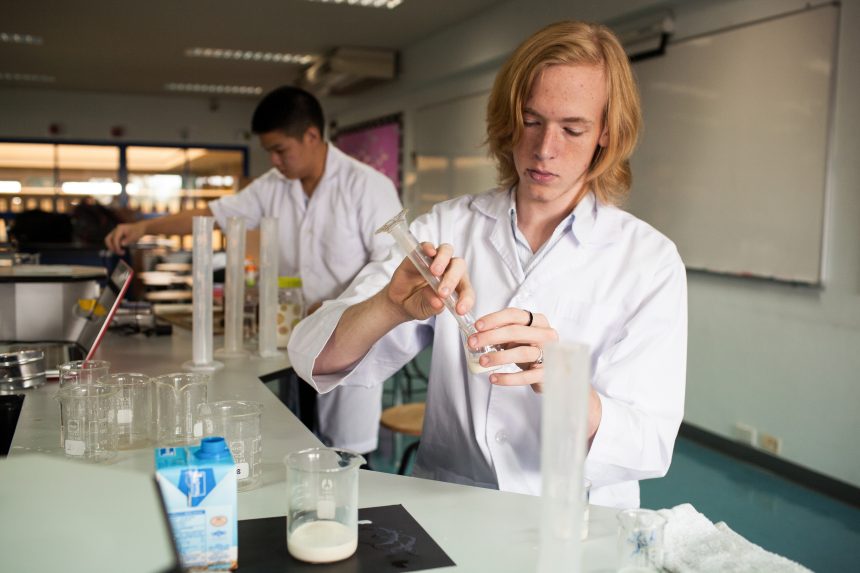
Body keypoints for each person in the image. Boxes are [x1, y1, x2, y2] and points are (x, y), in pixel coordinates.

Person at [288, 21, 687, 509]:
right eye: (531, 121)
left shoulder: (648, 261)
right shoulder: (446, 227)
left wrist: (563, 383)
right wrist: (388, 306)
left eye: (572, 128)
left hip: (575, 518)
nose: (545, 149)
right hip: (452, 504)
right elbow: (311, 357)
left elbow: (650, 445)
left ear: (606, 131)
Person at [105, 86, 402, 455]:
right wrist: (145, 227)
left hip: (348, 339)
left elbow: (390, 264)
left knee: (348, 454)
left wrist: (335, 309)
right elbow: (214, 214)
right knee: (298, 442)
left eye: (280, 150)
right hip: (292, 339)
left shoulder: (367, 186)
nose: (274, 161)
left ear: (311, 136)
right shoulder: (274, 185)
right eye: (269, 152)